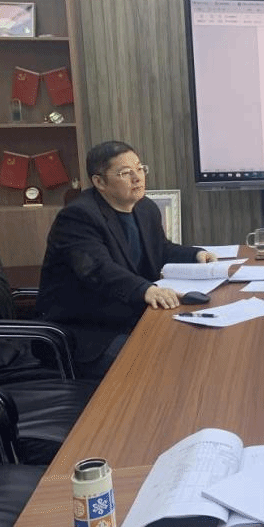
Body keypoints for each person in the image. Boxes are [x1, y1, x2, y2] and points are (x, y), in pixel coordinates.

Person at [37, 141, 217, 379]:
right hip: (87, 333)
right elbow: (97, 269)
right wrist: (146, 290)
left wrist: (195, 254)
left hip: (129, 317)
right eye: (125, 173)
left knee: (191, 344)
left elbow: (160, 249)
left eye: (140, 168)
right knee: (160, 363)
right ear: (99, 182)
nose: (137, 177)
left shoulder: (145, 208)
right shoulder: (78, 216)